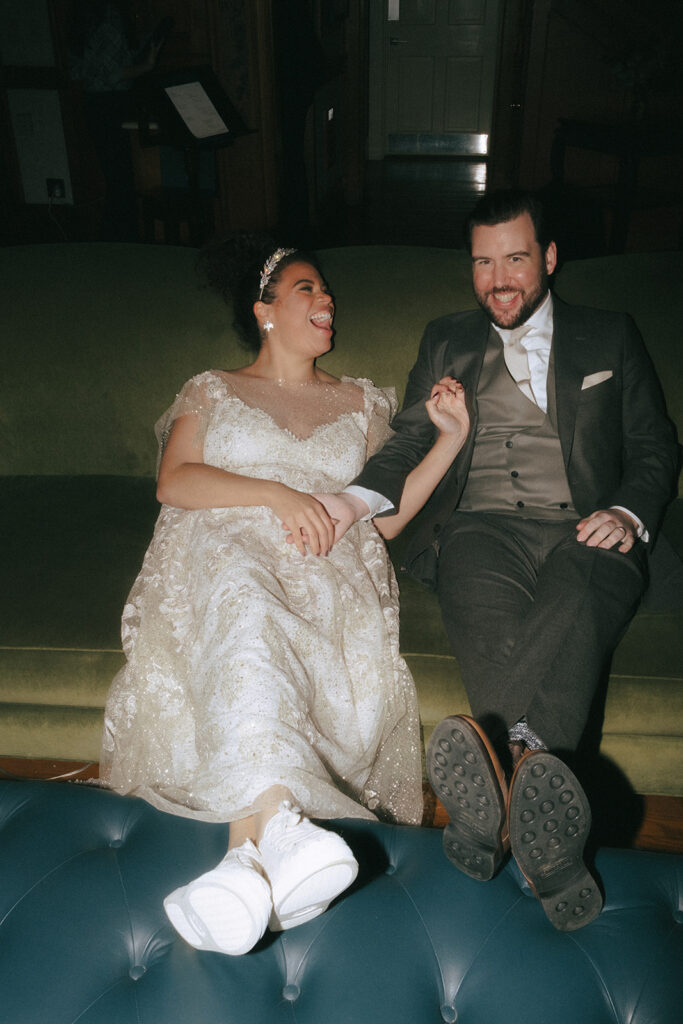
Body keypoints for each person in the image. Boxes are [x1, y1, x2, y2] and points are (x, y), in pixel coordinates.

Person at [311, 189, 678, 931]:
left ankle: (510, 807)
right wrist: (352, 503)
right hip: (477, 530)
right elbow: (410, 441)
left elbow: (652, 446)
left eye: (514, 258)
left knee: (577, 584)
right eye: (482, 263)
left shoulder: (609, 333)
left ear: (547, 258)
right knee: (476, 591)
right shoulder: (446, 339)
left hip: (589, 527)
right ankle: (543, 818)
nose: (498, 280)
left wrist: (626, 512)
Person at [100, 238, 470, 956]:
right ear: (264, 311)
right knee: (246, 601)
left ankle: (245, 864)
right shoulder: (210, 388)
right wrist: (276, 494)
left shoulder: (361, 401)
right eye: (307, 289)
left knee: (277, 614)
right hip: (220, 549)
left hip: (323, 565)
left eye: (328, 292)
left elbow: (385, 518)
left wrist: (448, 442)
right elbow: (175, 482)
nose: (327, 301)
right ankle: (283, 833)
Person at [68, 1, 163, 240]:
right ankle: (119, 241)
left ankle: (114, 242)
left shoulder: (82, 15)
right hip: (111, 103)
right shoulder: (109, 16)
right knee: (121, 183)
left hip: (92, 103)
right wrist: (147, 65)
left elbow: (80, 70)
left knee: (116, 181)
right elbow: (114, 73)